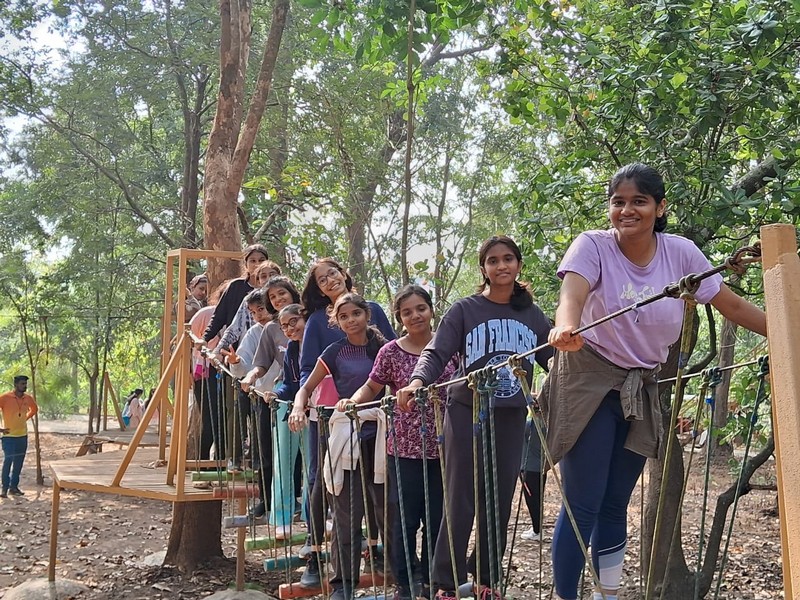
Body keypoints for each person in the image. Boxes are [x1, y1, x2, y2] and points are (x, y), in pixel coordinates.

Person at [543, 163, 767, 600]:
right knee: (582, 504)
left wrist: (785, 330)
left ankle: (607, 595)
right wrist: (564, 329)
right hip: (588, 375)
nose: (627, 210)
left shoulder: (681, 254)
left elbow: (732, 306)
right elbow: (572, 294)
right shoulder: (592, 245)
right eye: (618, 202)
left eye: (639, 201)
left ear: (660, 207)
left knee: (614, 504)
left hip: (642, 385)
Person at [397, 235, 553, 600]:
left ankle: (487, 579)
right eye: (494, 260)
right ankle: (446, 583)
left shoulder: (532, 315)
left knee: (499, 498)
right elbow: (436, 352)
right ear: (483, 268)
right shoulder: (465, 310)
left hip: (511, 414)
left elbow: (555, 359)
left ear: (518, 264)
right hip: (467, 410)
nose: (502, 266)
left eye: (509, 259)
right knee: (461, 497)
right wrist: (417, 380)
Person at [348, 285, 457, 600]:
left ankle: (436, 583)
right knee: (403, 521)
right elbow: (371, 386)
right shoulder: (391, 352)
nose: (415, 315)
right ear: (399, 317)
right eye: (407, 311)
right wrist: (351, 402)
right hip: (404, 449)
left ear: (431, 309)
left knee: (438, 519)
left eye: (420, 308)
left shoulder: (451, 346)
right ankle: (407, 585)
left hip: (445, 450)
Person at [289, 293, 389, 600]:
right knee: (346, 512)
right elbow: (305, 387)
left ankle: (403, 579)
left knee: (388, 509)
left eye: (356, 313)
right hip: (347, 435)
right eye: (343, 316)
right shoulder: (335, 351)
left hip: (383, 435)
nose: (350, 320)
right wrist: (298, 408)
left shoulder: (383, 347)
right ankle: (342, 585)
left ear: (366, 314)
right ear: (337, 321)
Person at [298, 258, 396, 564]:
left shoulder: (375, 310)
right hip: (331, 412)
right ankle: (316, 551)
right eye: (321, 280)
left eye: (333, 274)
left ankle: (380, 551)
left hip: (378, 416)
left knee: (378, 487)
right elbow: (307, 371)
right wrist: (305, 406)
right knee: (326, 480)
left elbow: (395, 352)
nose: (329, 280)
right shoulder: (317, 322)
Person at [239, 276, 302, 522]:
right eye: (272, 297)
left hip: (313, 396)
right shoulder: (272, 328)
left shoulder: (309, 319)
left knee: (307, 455)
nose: (277, 299)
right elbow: (262, 361)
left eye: (281, 293)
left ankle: (305, 503)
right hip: (280, 395)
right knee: (270, 449)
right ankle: (270, 501)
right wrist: (251, 377)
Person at [223, 288, 276, 513]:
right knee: (265, 451)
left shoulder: (287, 326)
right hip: (264, 398)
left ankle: (293, 498)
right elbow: (243, 367)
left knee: (293, 455)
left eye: (261, 309)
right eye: (253, 313)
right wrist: (234, 362)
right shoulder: (254, 333)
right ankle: (265, 499)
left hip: (289, 399)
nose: (258, 315)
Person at [0, 375, 39, 498]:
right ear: (16, 384)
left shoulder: (28, 398)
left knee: (19, 462)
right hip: (9, 436)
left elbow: (34, 409)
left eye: (25, 384)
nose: (25, 386)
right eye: (22, 384)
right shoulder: (5, 398)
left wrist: (25, 418)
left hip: (22, 436)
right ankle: (4, 488)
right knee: (8, 460)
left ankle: (14, 487)